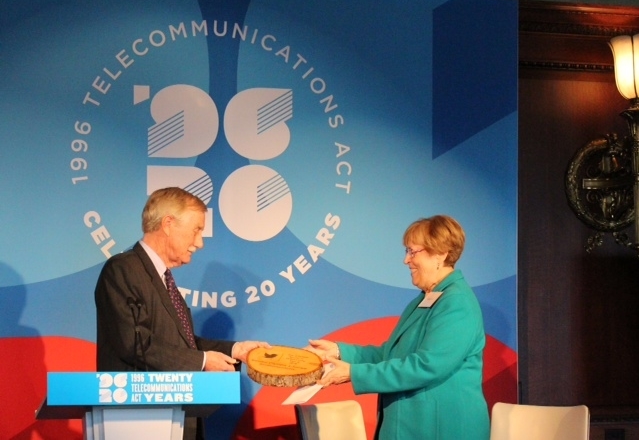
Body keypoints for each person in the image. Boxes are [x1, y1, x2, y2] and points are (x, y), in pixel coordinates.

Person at [95, 187, 269, 440]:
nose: (200, 242)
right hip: (138, 418)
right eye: (196, 230)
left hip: (177, 415)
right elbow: (134, 344)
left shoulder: (163, 279)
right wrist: (202, 362)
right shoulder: (124, 270)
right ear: (168, 224)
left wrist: (236, 350)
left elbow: (183, 345)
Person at [306, 215, 489, 440]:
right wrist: (337, 351)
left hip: (442, 428)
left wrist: (354, 373)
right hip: (415, 426)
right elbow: (391, 354)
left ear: (440, 253)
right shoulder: (425, 299)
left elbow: (427, 365)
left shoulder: (457, 303)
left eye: (413, 252)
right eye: (406, 251)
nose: (406, 260)